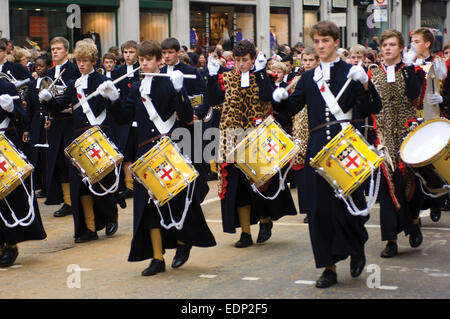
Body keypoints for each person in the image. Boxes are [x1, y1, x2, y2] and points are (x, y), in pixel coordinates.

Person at [272, 21, 382, 288]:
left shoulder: (351, 72)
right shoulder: (309, 78)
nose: (321, 46)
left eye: (325, 41)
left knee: (350, 206)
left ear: (335, 42)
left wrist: (366, 84)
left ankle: (357, 246)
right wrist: (278, 99)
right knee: (319, 210)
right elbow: (291, 110)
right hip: (317, 147)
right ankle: (328, 267)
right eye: (317, 41)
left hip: (346, 147)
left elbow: (372, 107)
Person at [105, 40, 216, 276]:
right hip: (145, 154)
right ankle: (157, 258)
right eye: (141, 59)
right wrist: (113, 100)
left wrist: (180, 92)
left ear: (158, 61)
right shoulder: (135, 89)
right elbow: (124, 117)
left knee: (177, 203)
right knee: (148, 208)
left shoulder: (169, 84)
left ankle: (184, 244)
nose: (144, 63)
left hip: (170, 150)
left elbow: (186, 117)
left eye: (148, 59)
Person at [207, 40, 298, 248]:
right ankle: (245, 233)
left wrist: (259, 73)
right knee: (238, 190)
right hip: (232, 140)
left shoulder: (264, 77)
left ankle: (265, 221)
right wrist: (211, 78)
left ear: (253, 59)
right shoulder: (226, 78)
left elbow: (268, 98)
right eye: (237, 60)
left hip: (257, 139)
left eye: (245, 60)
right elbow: (213, 100)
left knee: (259, 185)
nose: (241, 64)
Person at [40, 41, 120, 243]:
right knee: (82, 185)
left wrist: (109, 95)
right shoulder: (74, 83)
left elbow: (106, 110)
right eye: (78, 61)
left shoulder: (102, 81)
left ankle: (111, 216)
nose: (81, 64)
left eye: (85, 61)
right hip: (79, 138)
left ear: (93, 61)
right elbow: (59, 106)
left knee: (102, 179)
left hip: (99, 135)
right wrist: (48, 99)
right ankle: (89, 228)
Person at [367, 29, 425, 258]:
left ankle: (413, 221)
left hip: (407, 136)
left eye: (392, 44)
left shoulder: (413, 70)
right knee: (387, 190)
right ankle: (390, 239)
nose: (388, 48)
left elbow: (413, 95)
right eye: (384, 45)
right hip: (382, 139)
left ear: (401, 48)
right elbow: (367, 105)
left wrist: (410, 69)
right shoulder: (372, 73)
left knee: (409, 184)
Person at [0, 75, 46, 268]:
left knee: (9, 196)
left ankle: (11, 243)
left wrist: (11, 109)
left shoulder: (5, 86)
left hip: (5, 144)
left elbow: (23, 119)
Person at [160, 37, 210, 204]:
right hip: (168, 126)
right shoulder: (159, 73)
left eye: (170, 52)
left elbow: (204, 96)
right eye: (164, 53)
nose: (167, 56)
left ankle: (197, 195)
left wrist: (196, 115)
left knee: (196, 163)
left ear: (178, 53)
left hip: (189, 125)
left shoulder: (190, 71)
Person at [410, 27, 448, 222]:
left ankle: (436, 202)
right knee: (414, 167)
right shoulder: (408, 64)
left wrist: (442, 98)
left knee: (431, 165)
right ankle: (417, 209)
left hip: (430, 117)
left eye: (416, 41)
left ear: (427, 44)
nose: (412, 45)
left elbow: (445, 86)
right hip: (411, 119)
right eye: (412, 41)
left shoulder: (437, 63)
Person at [44, 36, 80, 217]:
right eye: (53, 49)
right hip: (57, 122)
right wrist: (47, 115)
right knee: (59, 162)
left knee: (71, 161)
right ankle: (67, 201)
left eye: (58, 49)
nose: (55, 52)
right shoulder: (49, 74)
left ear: (66, 50)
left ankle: (77, 199)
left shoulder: (74, 70)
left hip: (71, 122)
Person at [291, 47, 320, 224]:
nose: (307, 63)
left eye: (311, 60)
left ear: (317, 61)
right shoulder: (296, 80)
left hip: (315, 127)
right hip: (300, 127)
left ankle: (317, 206)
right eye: (305, 60)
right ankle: (307, 208)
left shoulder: (322, 78)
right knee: (301, 169)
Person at [111, 40, 141, 206]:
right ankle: (129, 186)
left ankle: (141, 182)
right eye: (125, 52)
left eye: (131, 52)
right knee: (127, 151)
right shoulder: (119, 71)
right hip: (124, 117)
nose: (128, 55)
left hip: (139, 116)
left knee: (138, 151)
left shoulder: (141, 70)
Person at [23, 54, 52, 198]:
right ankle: (38, 185)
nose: (39, 69)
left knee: (46, 156)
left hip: (46, 120)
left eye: (42, 66)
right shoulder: (32, 84)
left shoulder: (50, 82)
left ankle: (49, 187)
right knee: (35, 155)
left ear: (48, 67)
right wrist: (27, 129)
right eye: (37, 66)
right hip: (35, 121)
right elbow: (28, 108)